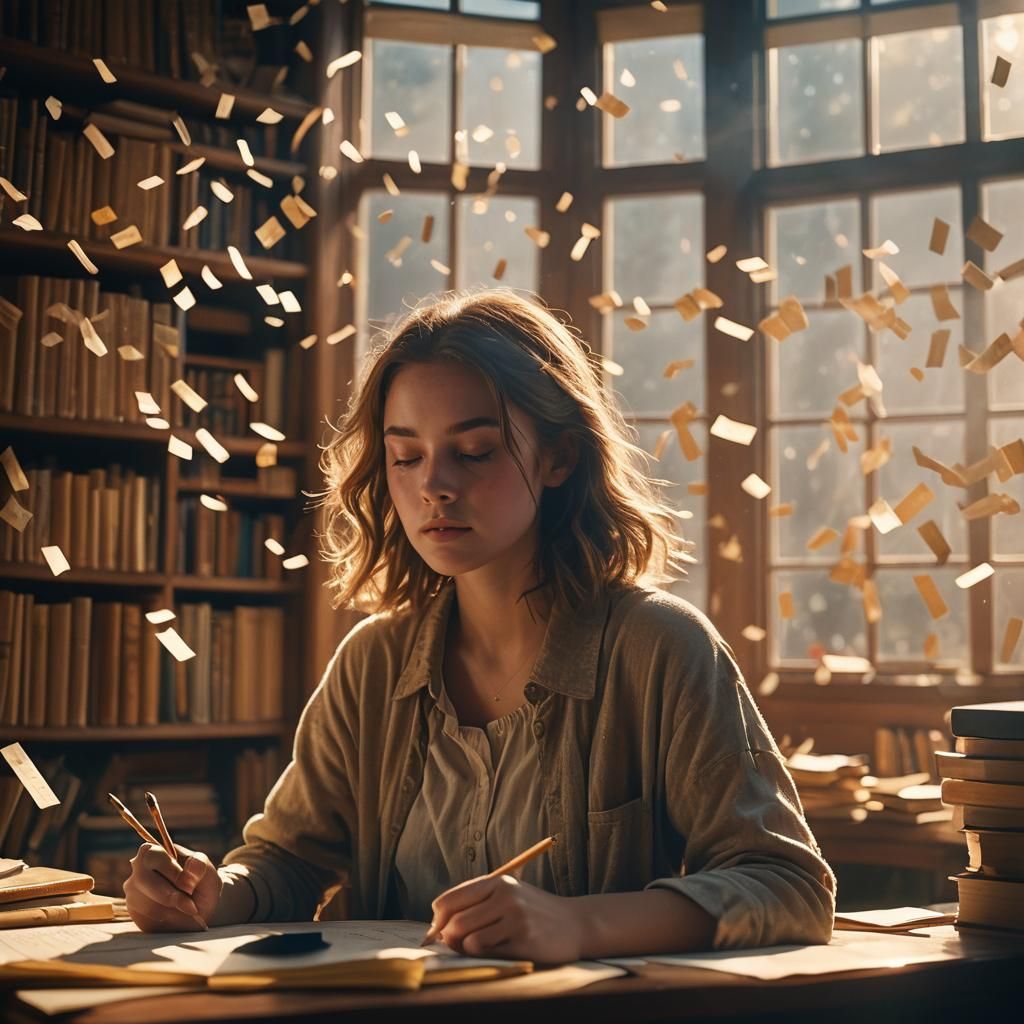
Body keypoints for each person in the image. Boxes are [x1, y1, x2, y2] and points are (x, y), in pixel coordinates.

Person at [123, 288, 836, 962]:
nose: (435, 484)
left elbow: (789, 885)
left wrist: (580, 924)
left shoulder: (660, 649)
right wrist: (215, 892)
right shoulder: (372, 662)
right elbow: (286, 860)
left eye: (474, 451)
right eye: (406, 456)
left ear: (558, 455)